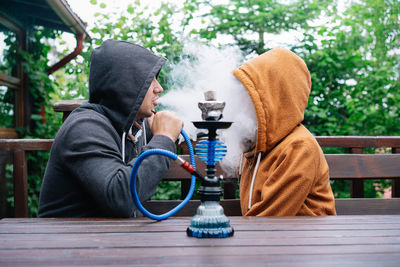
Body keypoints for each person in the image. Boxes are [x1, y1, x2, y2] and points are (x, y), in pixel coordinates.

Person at [38, 40, 183, 217]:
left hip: (109, 236)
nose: (158, 88)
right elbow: (120, 197)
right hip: (68, 239)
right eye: (149, 80)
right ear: (126, 83)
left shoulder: (132, 126)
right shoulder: (84, 127)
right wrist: (164, 138)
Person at [233, 48, 336, 216]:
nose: (241, 102)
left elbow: (269, 218)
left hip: (311, 240)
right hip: (276, 238)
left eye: (250, 94)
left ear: (275, 98)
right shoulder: (256, 147)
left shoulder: (299, 147)